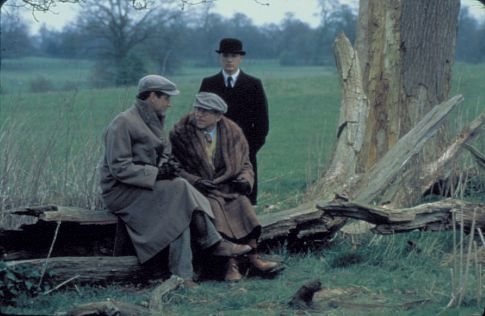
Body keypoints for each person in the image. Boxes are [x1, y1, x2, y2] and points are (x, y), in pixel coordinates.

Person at [98, 75, 252, 288]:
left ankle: (184, 275)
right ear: (152, 96)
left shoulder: (151, 119)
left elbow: (161, 154)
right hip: (121, 191)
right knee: (179, 189)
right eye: (166, 98)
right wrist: (157, 173)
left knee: (179, 204)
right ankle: (213, 244)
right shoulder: (123, 122)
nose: (170, 104)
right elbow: (119, 168)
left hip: (143, 186)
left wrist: (166, 166)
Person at [170, 92, 279, 282]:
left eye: (206, 112)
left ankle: (254, 258)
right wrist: (194, 180)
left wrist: (245, 180)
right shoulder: (180, 133)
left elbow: (245, 163)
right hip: (201, 190)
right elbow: (174, 167)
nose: (199, 114)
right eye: (197, 109)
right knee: (215, 207)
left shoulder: (232, 132)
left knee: (243, 204)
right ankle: (230, 265)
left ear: (219, 116)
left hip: (229, 186)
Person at [199, 38, 269, 205]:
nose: (229, 60)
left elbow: (262, 125)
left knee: (244, 202)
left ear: (240, 58)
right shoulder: (208, 83)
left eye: (233, 56)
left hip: (245, 155)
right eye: (225, 56)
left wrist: (246, 152)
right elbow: (199, 119)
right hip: (213, 155)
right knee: (215, 201)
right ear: (220, 58)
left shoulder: (254, 85)